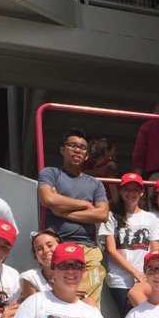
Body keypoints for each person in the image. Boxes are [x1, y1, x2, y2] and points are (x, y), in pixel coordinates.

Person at [38, 128, 110, 304]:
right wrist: (85, 204)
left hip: (88, 249)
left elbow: (102, 214)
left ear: (87, 155)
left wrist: (61, 209)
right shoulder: (50, 173)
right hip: (57, 247)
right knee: (60, 303)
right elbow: (48, 198)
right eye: (72, 145)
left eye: (82, 148)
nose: (77, 150)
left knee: (89, 305)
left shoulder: (95, 184)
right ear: (62, 150)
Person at [99, 172, 159, 317]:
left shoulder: (150, 218)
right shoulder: (111, 216)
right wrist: (135, 273)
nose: (131, 193)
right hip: (120, 280)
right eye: (127, 189)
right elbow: (111, 250)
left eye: (135, 189)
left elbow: (156, 250)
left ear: (142, 193)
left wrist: (146, 274)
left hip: (146, 279)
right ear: (121, 191)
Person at [20, 228, 61, 300]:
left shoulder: (74, 273)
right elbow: (34, 308)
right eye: (39, 249)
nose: (45, 251)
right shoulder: (30, 277)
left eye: (50, 245)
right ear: (36, 256)